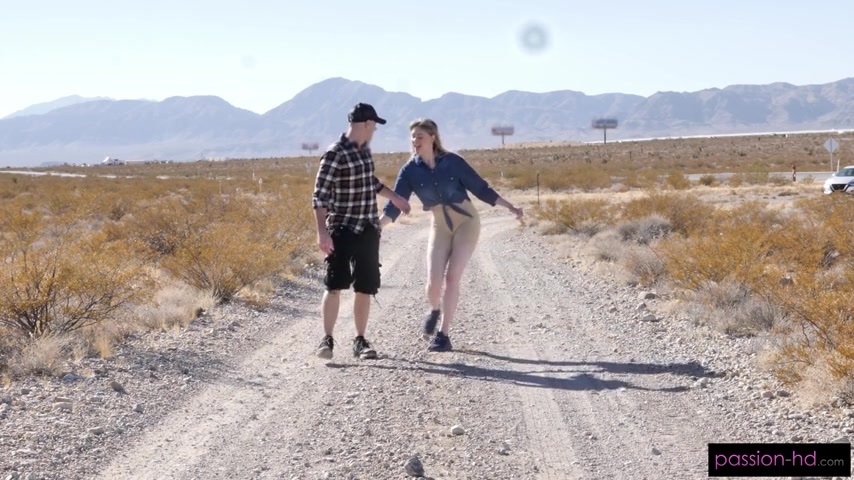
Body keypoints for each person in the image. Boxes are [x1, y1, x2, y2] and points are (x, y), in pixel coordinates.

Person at [379, 118, 523, 352]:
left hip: (466, 223)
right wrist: (379, 226)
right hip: (440, 226)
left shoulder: (453, 162)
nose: (415, 141)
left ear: (432, 137)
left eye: (419, 136)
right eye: (412, 137)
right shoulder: (410, 171)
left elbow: (481, 188)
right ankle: (435, 309)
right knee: (433, 283)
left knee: (452, 278)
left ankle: (443, 335)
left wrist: (510, 207)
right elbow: (396, 203)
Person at [312, 102, 411, 360]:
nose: (375, 130)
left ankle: (360, 340)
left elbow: (371, 183)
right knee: (334, 284)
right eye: (374, 125)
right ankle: (327, 339)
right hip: (341, 228)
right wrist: (322, 233)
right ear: (366, 124)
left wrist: (396, 198)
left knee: (365, 287)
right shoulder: (335, 153)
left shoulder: (364, 153)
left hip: (367, 229)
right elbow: (320, 196)